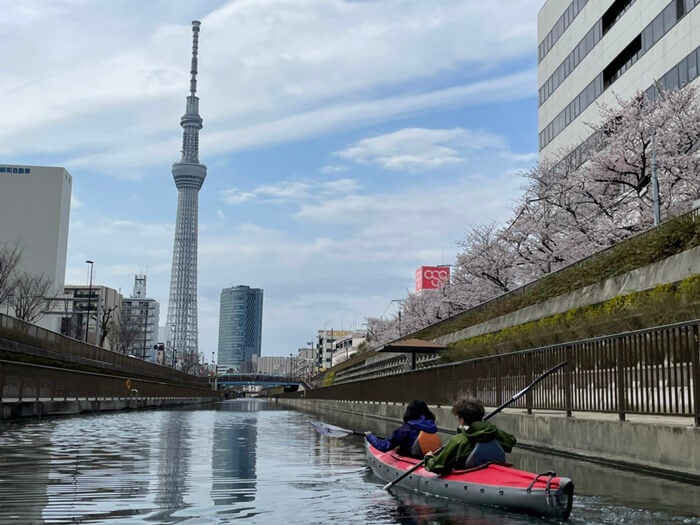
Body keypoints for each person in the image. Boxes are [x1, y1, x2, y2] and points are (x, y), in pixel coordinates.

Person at [424, 397, 516, 474]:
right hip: (494, 473)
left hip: (469, 474)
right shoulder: (494, 432)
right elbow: (511, 441)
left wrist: (429, 458)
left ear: (462, 419)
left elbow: (438, 466)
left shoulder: (458, 440)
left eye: (458, 417)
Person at [365, 400, 441, 458]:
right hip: (425, 457)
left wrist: (370, 436)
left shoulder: (406, 429)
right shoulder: (432, 427)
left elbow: (384, 446)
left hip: (411, 459)